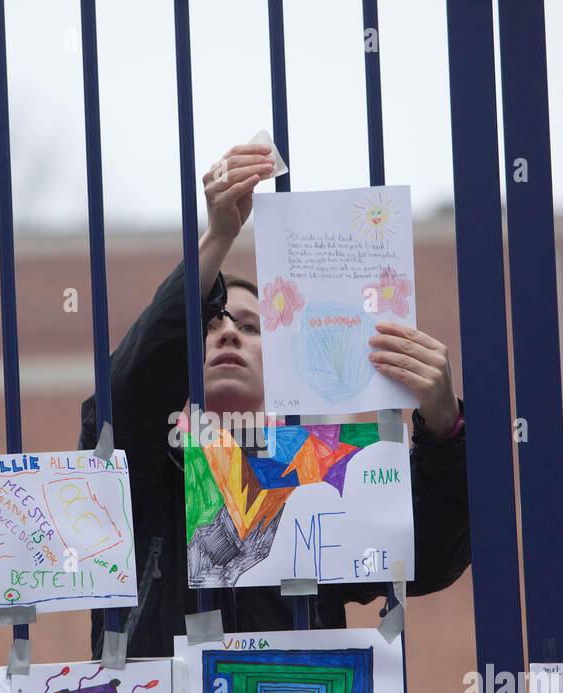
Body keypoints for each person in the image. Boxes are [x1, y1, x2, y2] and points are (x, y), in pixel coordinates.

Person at [79, 143, 471, 658]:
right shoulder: (141, 470)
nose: (228, 335)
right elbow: (124, 397)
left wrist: (445, 428)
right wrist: (218, 236)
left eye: (249, 326)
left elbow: (429, 555)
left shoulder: (319, 466)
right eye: (208, 323)